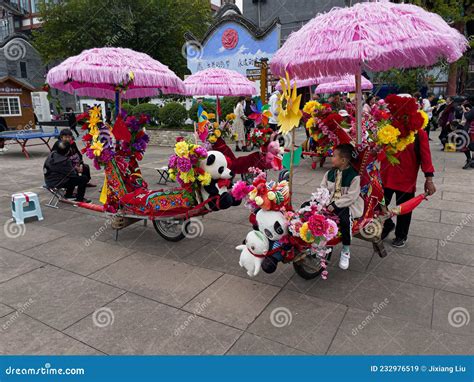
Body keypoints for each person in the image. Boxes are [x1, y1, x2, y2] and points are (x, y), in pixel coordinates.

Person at [381, 128, 436, 247]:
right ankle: (387, 224)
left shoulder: (419, 133)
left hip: (406, 179)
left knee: (404, 210)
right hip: (386, 176)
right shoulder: (387, 127)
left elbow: (425, 156)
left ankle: (401, 235)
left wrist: (429, 179)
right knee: (379, 205)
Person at [321, 143, 364, 270]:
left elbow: (351, 197)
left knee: (345, 219)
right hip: (329, 203)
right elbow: (322, 188)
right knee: (311, 210)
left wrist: (335, 205)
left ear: (343, 160)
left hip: (347, 205)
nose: (331, 158)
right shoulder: (329, 173)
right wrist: (323, 201)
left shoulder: (354, 176)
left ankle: (346, 250)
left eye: (334, 156)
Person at [461, 97, 474, 169]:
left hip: (471, 130)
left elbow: (468, 116)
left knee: (465, 144)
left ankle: (469, 159)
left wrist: (465, 111)